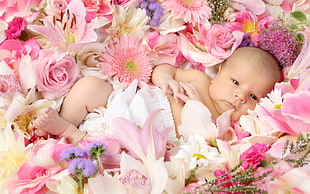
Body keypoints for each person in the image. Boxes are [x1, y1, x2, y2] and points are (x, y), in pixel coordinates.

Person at [33, 46, 282, 144]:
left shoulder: (226, 128)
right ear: (218, 71)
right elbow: (163, 69)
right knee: (90, 86)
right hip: (126, 104)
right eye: (236, 82)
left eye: (254, 97)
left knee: (115, 154)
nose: (240, 96)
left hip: (142, 141)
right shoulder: (199, 80)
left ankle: (68, 133)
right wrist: (166, 80)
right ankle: (63, 120)